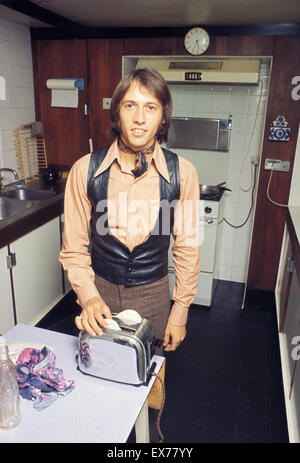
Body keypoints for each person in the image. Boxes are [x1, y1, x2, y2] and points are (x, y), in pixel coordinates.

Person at [59, 68, 200, 353]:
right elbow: (74, 248)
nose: (139, 118)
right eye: (130, 106)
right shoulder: (84, 170)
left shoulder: (183, 173)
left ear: (163, 116)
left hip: (154, 293)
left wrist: (181, 309)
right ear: (117, 113)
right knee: (98, 368)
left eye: (150, 107)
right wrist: (89, 298)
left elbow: (187, 247)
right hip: (100, 290)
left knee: (149, 378)